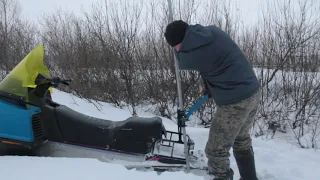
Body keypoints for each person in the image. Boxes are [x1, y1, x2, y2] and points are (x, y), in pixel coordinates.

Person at [164, 20, 261, 180]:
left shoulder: (193, 56)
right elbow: (217, 62)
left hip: (235, 101)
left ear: (180, 42)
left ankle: (221, 176)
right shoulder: (212, 31)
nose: (176, 49)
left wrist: (176, 52)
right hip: (252, 92)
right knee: (240, 139)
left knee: (216, 150)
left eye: (176, 46)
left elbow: (180, 62)